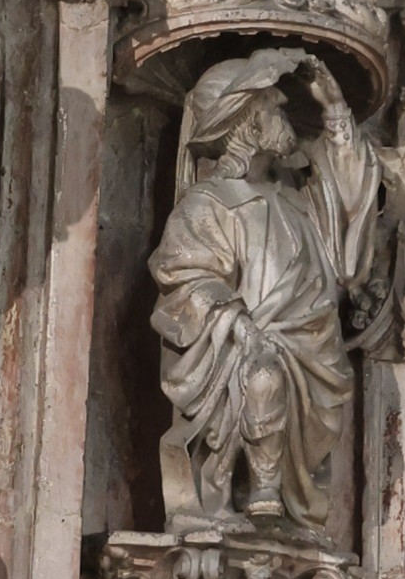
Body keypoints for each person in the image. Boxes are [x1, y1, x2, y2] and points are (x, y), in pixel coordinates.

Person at [149, 48, 380, 529]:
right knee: (261, 376)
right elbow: (187, 276)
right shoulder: (209, 203)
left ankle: (281, 503)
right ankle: (258, 496)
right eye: (274, 107)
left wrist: (336, 110)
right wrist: (240, 327)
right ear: (248, 124)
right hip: (247, 348)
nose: (286, 113)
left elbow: (350, 212)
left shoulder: (299, 201)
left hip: (311, 352)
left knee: (272, 379)